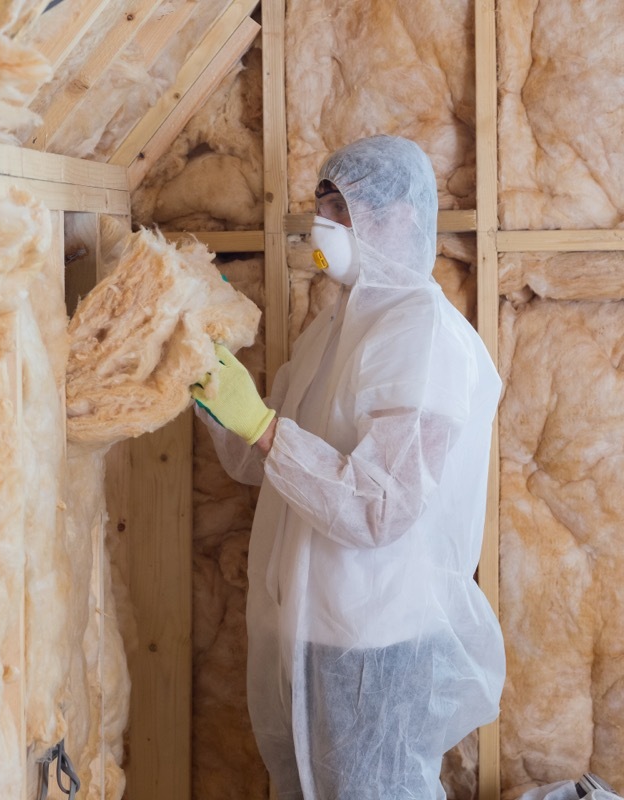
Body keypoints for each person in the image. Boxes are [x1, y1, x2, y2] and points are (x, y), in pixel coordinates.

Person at [191, 135, 505, 799]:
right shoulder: (332, 330)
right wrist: (208, 379)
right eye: (322, 202)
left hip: (374, 634)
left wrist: (265, 428)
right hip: (313, 626)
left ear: (403, 220)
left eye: (344, 206)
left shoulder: (421, 334)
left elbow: (379, 507)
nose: (324, 221)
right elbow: (264, 461)